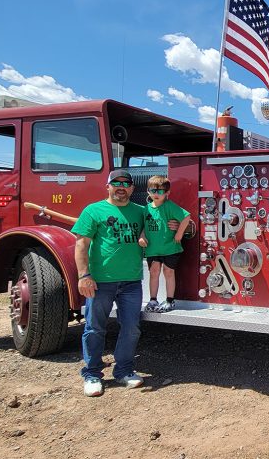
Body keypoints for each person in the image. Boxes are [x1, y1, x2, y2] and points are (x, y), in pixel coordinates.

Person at [72, 170, 147, 397]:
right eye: (116, 183)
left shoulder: (141, 212)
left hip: (132, 282)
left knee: (132, 328)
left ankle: (124, 371)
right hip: (100, 282)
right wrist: (84, 276)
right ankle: (92, 374)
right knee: (94, 328)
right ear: (108, 186)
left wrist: (180, 224)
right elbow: (81, 244)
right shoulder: (93, 211)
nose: (121, 187)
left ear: (133, 189)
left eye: (126, 184)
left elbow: (160, 224)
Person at [140, 175, 190, 313]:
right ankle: (153, 300)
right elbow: (143, 226)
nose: (156, 194)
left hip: (170, 247)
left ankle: (169, 300)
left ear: (167, 193)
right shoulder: (146, 209)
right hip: (152, 249)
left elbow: (186, 217)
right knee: (154, 272)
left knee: (168, 272)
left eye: (160, 191)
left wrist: (179, 234)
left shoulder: (170, 206)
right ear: (148, 191)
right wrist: (142, 236)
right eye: (152, 190)